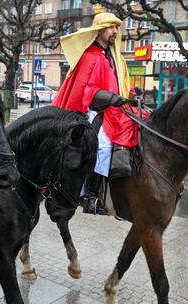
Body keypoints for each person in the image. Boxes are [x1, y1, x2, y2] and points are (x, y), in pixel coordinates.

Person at [52, 12, 132, 214]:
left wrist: (128, 95)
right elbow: (85, 90)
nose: (115, 31)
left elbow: (118, 85)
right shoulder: (89, 57)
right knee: (103, 145)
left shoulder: (113, 57)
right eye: (111, 27)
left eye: (116, 27)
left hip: (112, 110)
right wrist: (111, 98)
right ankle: (90, 197)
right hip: (90, 111)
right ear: (99, 29)